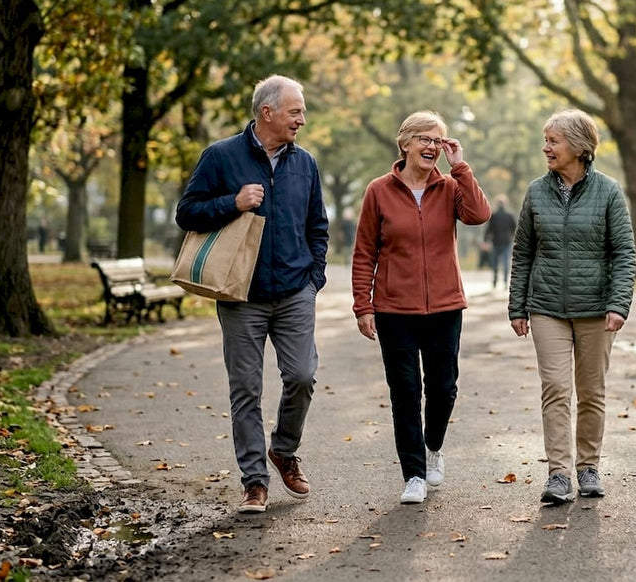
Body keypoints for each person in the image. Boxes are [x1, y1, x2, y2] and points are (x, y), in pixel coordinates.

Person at [175, 75, 329, 515]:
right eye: (295, 111)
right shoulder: (221, 156)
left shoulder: (306, 163)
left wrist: (314, 276)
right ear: (268, 113)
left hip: (295, 290)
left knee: (302, 376)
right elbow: (186, 213)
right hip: (241, 294)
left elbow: (317, 226)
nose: (302, 119)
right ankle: (254, 482)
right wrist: (232, 202)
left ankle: (283, 450)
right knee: (245, 389)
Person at [351, 110, 491, 505]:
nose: (432, 147)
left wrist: (460, 165)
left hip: (445, 306)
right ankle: (413, 474)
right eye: (425, 139)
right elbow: (364, 252)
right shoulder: (378, 190)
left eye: (438, 140)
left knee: (443, 388)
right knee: (405, 391)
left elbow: (479, 214)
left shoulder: (449, 187)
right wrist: (363, 304)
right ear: (405, 143)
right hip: (394, 309)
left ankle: (433, 447)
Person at [508, 109, 636, 505]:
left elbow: (624, 252)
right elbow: (523, 251)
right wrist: (518, 306)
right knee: (556, 389)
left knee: (591, 391)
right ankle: (559, 474)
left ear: (579, 148)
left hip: (597, 308)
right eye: (545, 140)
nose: (546, 147)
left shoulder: (609, 191)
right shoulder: (536, 191)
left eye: (553, 141)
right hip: (546, 306)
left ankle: (588, 467)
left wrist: (618, 303)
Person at [484, 195, 517, 288]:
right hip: (506, 242)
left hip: (496, 242)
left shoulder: (493, 215)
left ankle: (495, 282)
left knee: (495, 264)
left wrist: (486, 240)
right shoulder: (509, 215)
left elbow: (488, 230)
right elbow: (515, 229)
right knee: (505, 264)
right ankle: (505, 283)